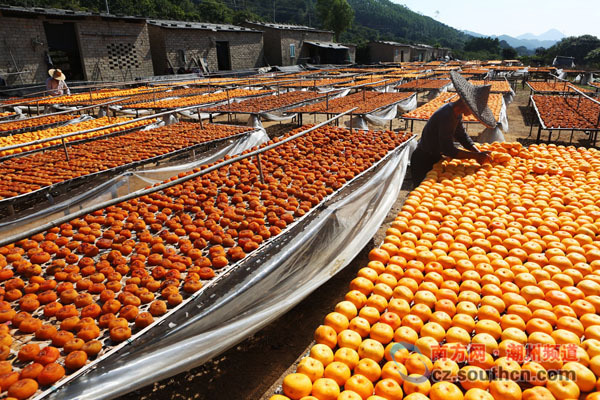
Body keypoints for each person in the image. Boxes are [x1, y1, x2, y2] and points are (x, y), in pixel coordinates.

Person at [410, 71, 495, 188]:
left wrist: (477, 152)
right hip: (423, 159)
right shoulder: (447, 115)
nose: (471, 114)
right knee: (421, 193)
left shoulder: (456, 113)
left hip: (435, 157)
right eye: (472, 110)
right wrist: (476, 157)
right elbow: (448, 150)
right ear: (466, 104)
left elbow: (462, 136)